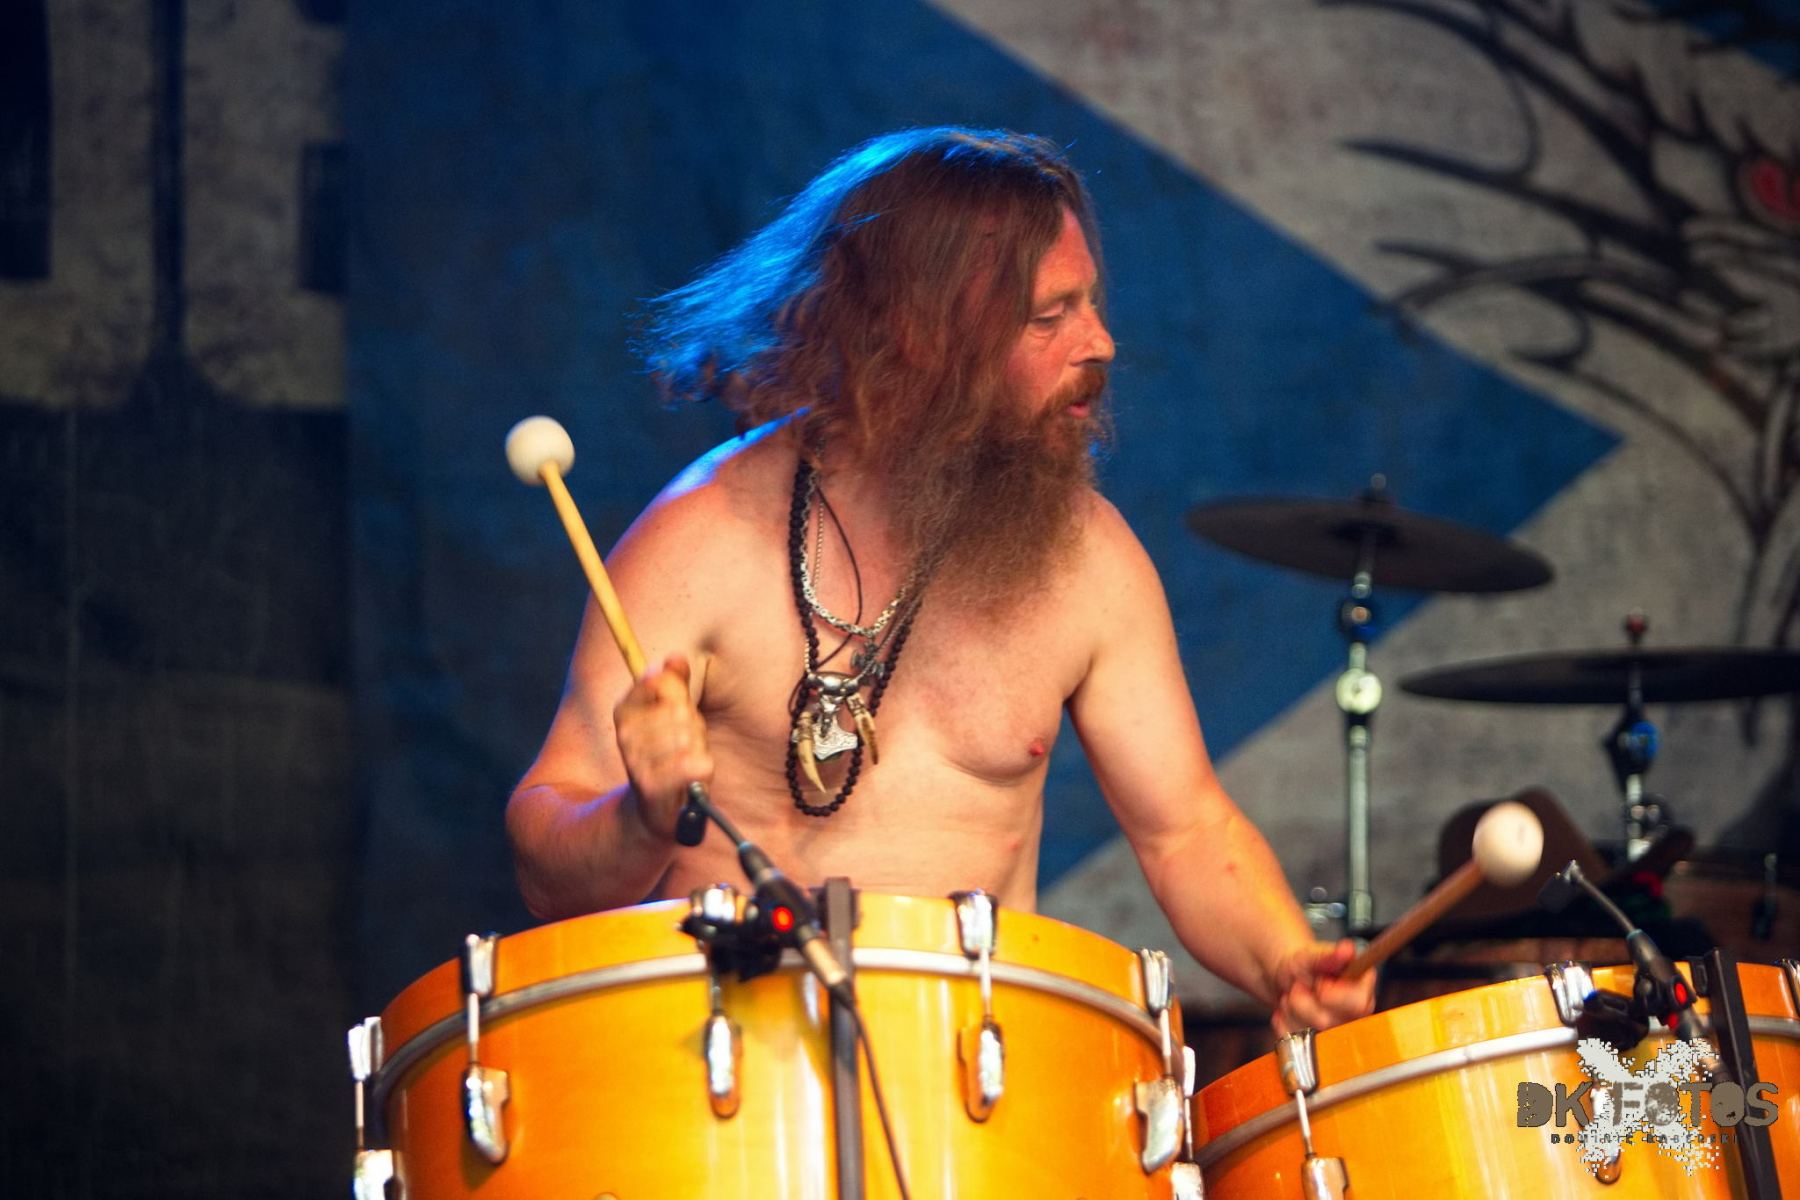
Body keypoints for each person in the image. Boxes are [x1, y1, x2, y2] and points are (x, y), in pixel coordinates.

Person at [507, 127, 1374, 1034]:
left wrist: (1286, 962)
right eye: (1049, 317)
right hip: (729, 1073)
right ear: (921, 340)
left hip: (968, 1078)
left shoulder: (1089, 559)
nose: (1102, 342)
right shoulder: (701, 541)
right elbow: (545, 876)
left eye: (1090, 303)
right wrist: (638, 818)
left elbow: (1185, 830)